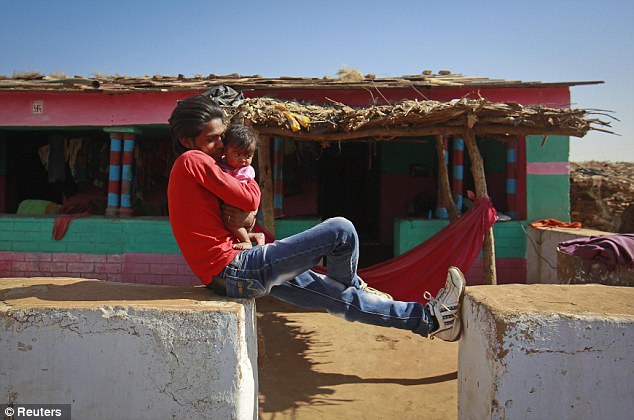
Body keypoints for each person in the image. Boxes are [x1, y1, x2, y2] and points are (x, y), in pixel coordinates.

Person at [167, 93, 466, 342]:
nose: (220, 146)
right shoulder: (193, 160)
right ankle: (353, 284)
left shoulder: (199, 166)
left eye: (222, 137)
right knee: (341, 230)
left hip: (227, 276)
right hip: (235, 269)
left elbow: (225, 216)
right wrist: (250, 207)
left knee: (337, 299)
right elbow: (250, 199)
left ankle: (430, 321)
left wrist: (246, 225)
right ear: (185, 140)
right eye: (212, 139)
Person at [217, 124, 265, 250]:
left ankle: (247, 241)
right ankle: (254, 236)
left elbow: (239, 189)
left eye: (248, 156)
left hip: (238, 205)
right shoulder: (220, 163)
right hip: (233, 206)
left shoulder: (245, 170)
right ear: (225, 150)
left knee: (232, 224)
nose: (243, 160)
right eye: (237, 154)